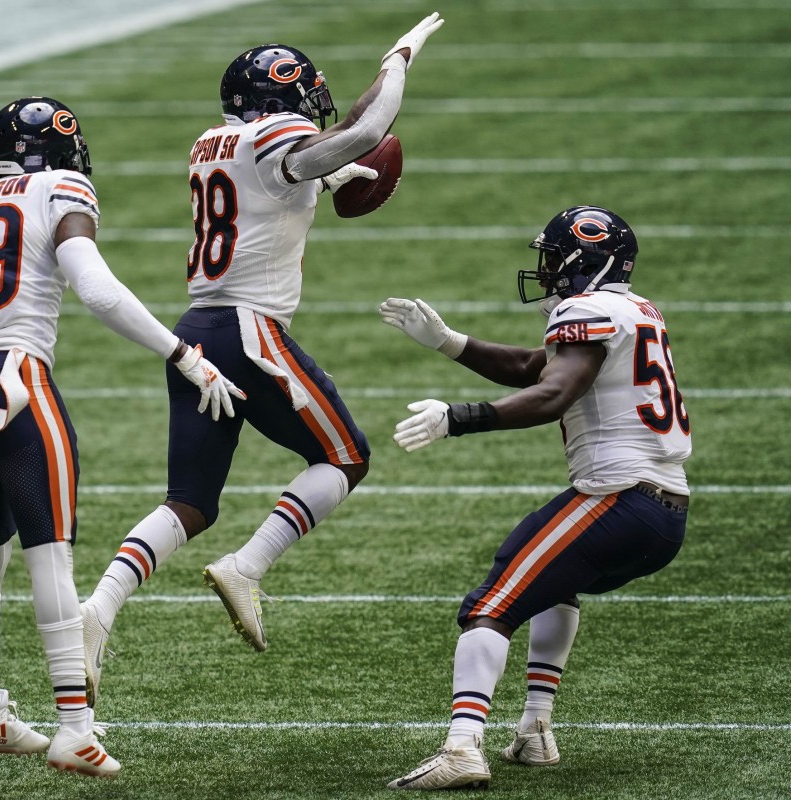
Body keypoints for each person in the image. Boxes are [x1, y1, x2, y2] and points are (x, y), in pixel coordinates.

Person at [78, 12, 446, 705]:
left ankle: (98, 607)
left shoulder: (214, 142)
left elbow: (307, 164)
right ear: (277, 102)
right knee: (345, 457)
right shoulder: (275, 139)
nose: (314, 112)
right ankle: (246, 568)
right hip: (251, 333)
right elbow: (363, 132)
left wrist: (330, 166)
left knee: (188, 501)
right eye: (304, 99)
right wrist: (398, 61)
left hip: (196, 334)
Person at [0, 96, 243, 778]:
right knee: (51, 556)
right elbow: (99, 292)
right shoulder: (60, 188)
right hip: (18, 381)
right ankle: (74, 727)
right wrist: (183, 353)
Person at [379, 206, 691, 790]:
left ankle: (463, 746)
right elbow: (535, 366)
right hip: (665, 509)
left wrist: (459, 418)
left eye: (554, 260)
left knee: (490, 605)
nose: (546, 272)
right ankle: (534, 732)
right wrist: (450, 342)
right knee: (553, 583)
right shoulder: (635, 310)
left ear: (585, 263)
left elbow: (551, 393)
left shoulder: (586, 309)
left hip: (617, 497)